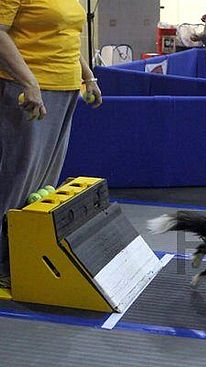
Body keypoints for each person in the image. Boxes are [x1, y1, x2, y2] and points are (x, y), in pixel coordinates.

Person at [0, 0, 102, 274]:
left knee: (44, 184)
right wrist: (28, 82)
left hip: (64, 89)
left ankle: (24, 255)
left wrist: (88, 76)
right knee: (16, 179)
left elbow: (66, 36)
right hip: (28, 89)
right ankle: (2, 261)